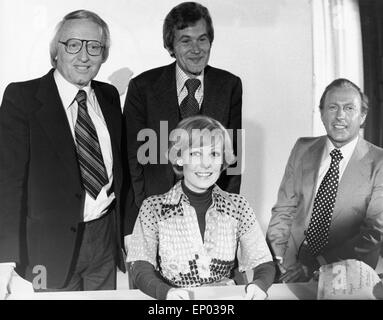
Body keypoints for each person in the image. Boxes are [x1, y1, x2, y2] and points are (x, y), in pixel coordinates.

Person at [0, 9, 135, 297]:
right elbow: (8, 183)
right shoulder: (22, 98)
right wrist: (4, 259)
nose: (84, 56)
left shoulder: (110, 96)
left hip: (103, 243)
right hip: (46, 248)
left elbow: (120, 172)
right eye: (73, 44)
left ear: (104, 54)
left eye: (94, 46)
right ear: (56, 51)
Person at [123, 2, 242, 232]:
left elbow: (232, 159)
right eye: (185, 40)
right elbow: (133, 160)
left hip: (210, 217)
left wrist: (226, 217)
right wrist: (144, 214)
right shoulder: (142, 87)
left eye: (202, 39)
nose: (196, 49)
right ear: (171, 46)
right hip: (157, 214)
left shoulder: (229, 86)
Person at [127, 115, 275, 300]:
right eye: (196, 153)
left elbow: (264, 263)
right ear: (179, 158)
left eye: (214, 154)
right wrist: (166, 293)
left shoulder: (239, 206)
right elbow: (140, 267)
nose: (206, 163)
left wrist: (259, 286)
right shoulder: (153, 208)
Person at [267, 78, 383, 283]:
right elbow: (284, 209)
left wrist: (318, 265)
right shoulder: (302, 148)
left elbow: (374, 231)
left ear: (363, 116)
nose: (340, 116)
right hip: (291, 266)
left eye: (349, 108)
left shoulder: (379, 162)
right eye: (332, 107)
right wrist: (279, 258)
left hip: (347, 272)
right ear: (321, 113)